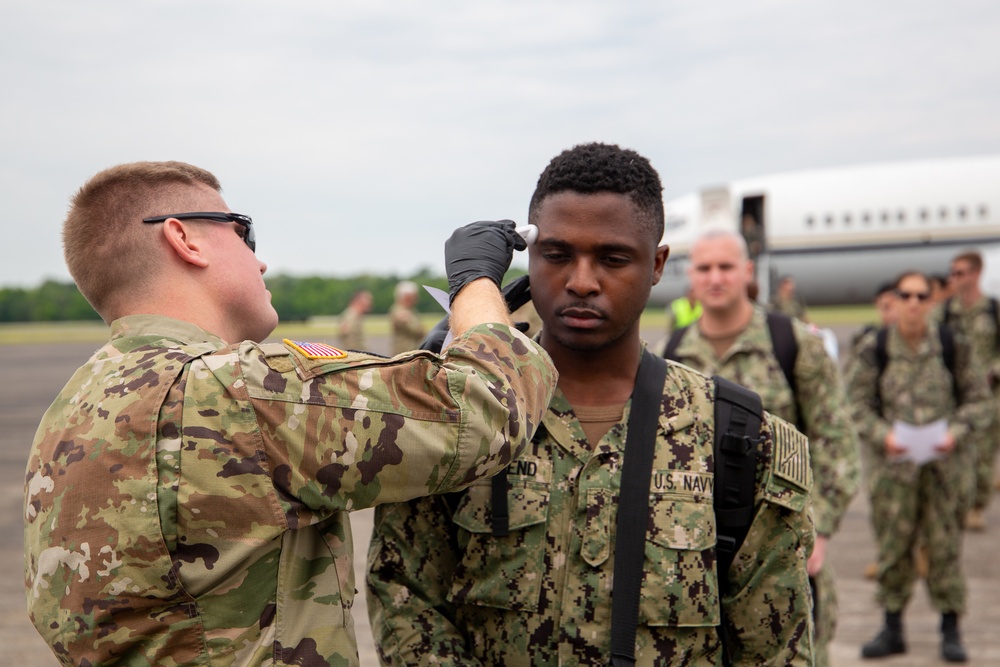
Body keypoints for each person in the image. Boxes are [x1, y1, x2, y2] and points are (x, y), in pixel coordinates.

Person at [22, 161, 557, 667]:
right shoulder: (237, 389)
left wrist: (415, 375)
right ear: (184, 239)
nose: (260, 259)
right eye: (241, 231)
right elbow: (487, 408)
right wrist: (475, 285)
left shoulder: (76, 406)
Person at [366, 142, 816, 665]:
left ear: (657, 264)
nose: (581, 281)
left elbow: (774, 649)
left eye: (613, 258)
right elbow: (407, 607)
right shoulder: (462, 421)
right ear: (528, 259)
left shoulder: (736, 437)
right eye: (556, 255)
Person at [663, 228, 860, 667]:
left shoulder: (792, 344)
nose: (716, 277)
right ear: (691, 276)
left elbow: (837, 442)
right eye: (705, 267)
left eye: (726, 267)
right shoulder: (671, 353)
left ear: (747, 272)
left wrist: (820, 530)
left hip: (781, 549)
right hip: (691, 553)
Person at [846, 271, 992, 662]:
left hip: (945, 469)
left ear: (931, 301)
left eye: (920, 295)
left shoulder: (952, 345)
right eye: (904, 294)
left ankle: (950, 628)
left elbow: (980, 401)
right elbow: (855, 404)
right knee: (893, 548)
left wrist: (956, 433)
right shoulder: (874, 348)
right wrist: (882, 436)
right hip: (894, 471)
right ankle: (892, 627)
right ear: (894, 299)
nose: (912, 302)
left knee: (945, 548)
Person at [940, 250, 1000, 531]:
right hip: (957, 396)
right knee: (958, 453)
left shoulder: (993, 310)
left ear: (976, 274)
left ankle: (977, 507)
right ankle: (958, 504)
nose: (954, 278)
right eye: (952, 273)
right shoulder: (947, 313)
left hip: (989, 396)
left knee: (985, 454)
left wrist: (993, 370)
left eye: (960, 273)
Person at [389, 280, 426, 355]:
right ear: (407, 296)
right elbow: (417, 331)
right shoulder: (399, 311)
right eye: (414, 296)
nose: (416, 298)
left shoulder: (410, 310)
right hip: (403, 354)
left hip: (409, 352)